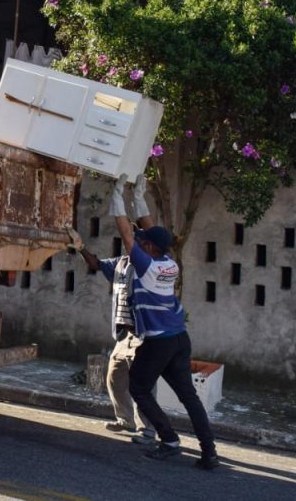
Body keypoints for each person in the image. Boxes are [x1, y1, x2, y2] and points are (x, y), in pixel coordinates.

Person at [106, 173, 219, 471]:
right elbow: (151, 231)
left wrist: (118, 195)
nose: (140, 243)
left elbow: (127, 234)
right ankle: (209, 452)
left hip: (158, 341)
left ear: (150, 249)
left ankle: (168, 440)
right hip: (179, 339)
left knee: (139, 388)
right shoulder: (169, 263)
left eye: (144, 243)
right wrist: (138, 197)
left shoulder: (147, 267)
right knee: (189, 397)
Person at [67, 216, 155, 444]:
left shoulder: (148, 266)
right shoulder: (121, 263)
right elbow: (96, 264)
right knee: (114, 378)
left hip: (142, 335)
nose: (129, 240)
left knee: (142, 386)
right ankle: (126, 420)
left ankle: (148, 429)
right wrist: (81, 247)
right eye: (129, 236)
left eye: (134, 237)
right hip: (124, 336)